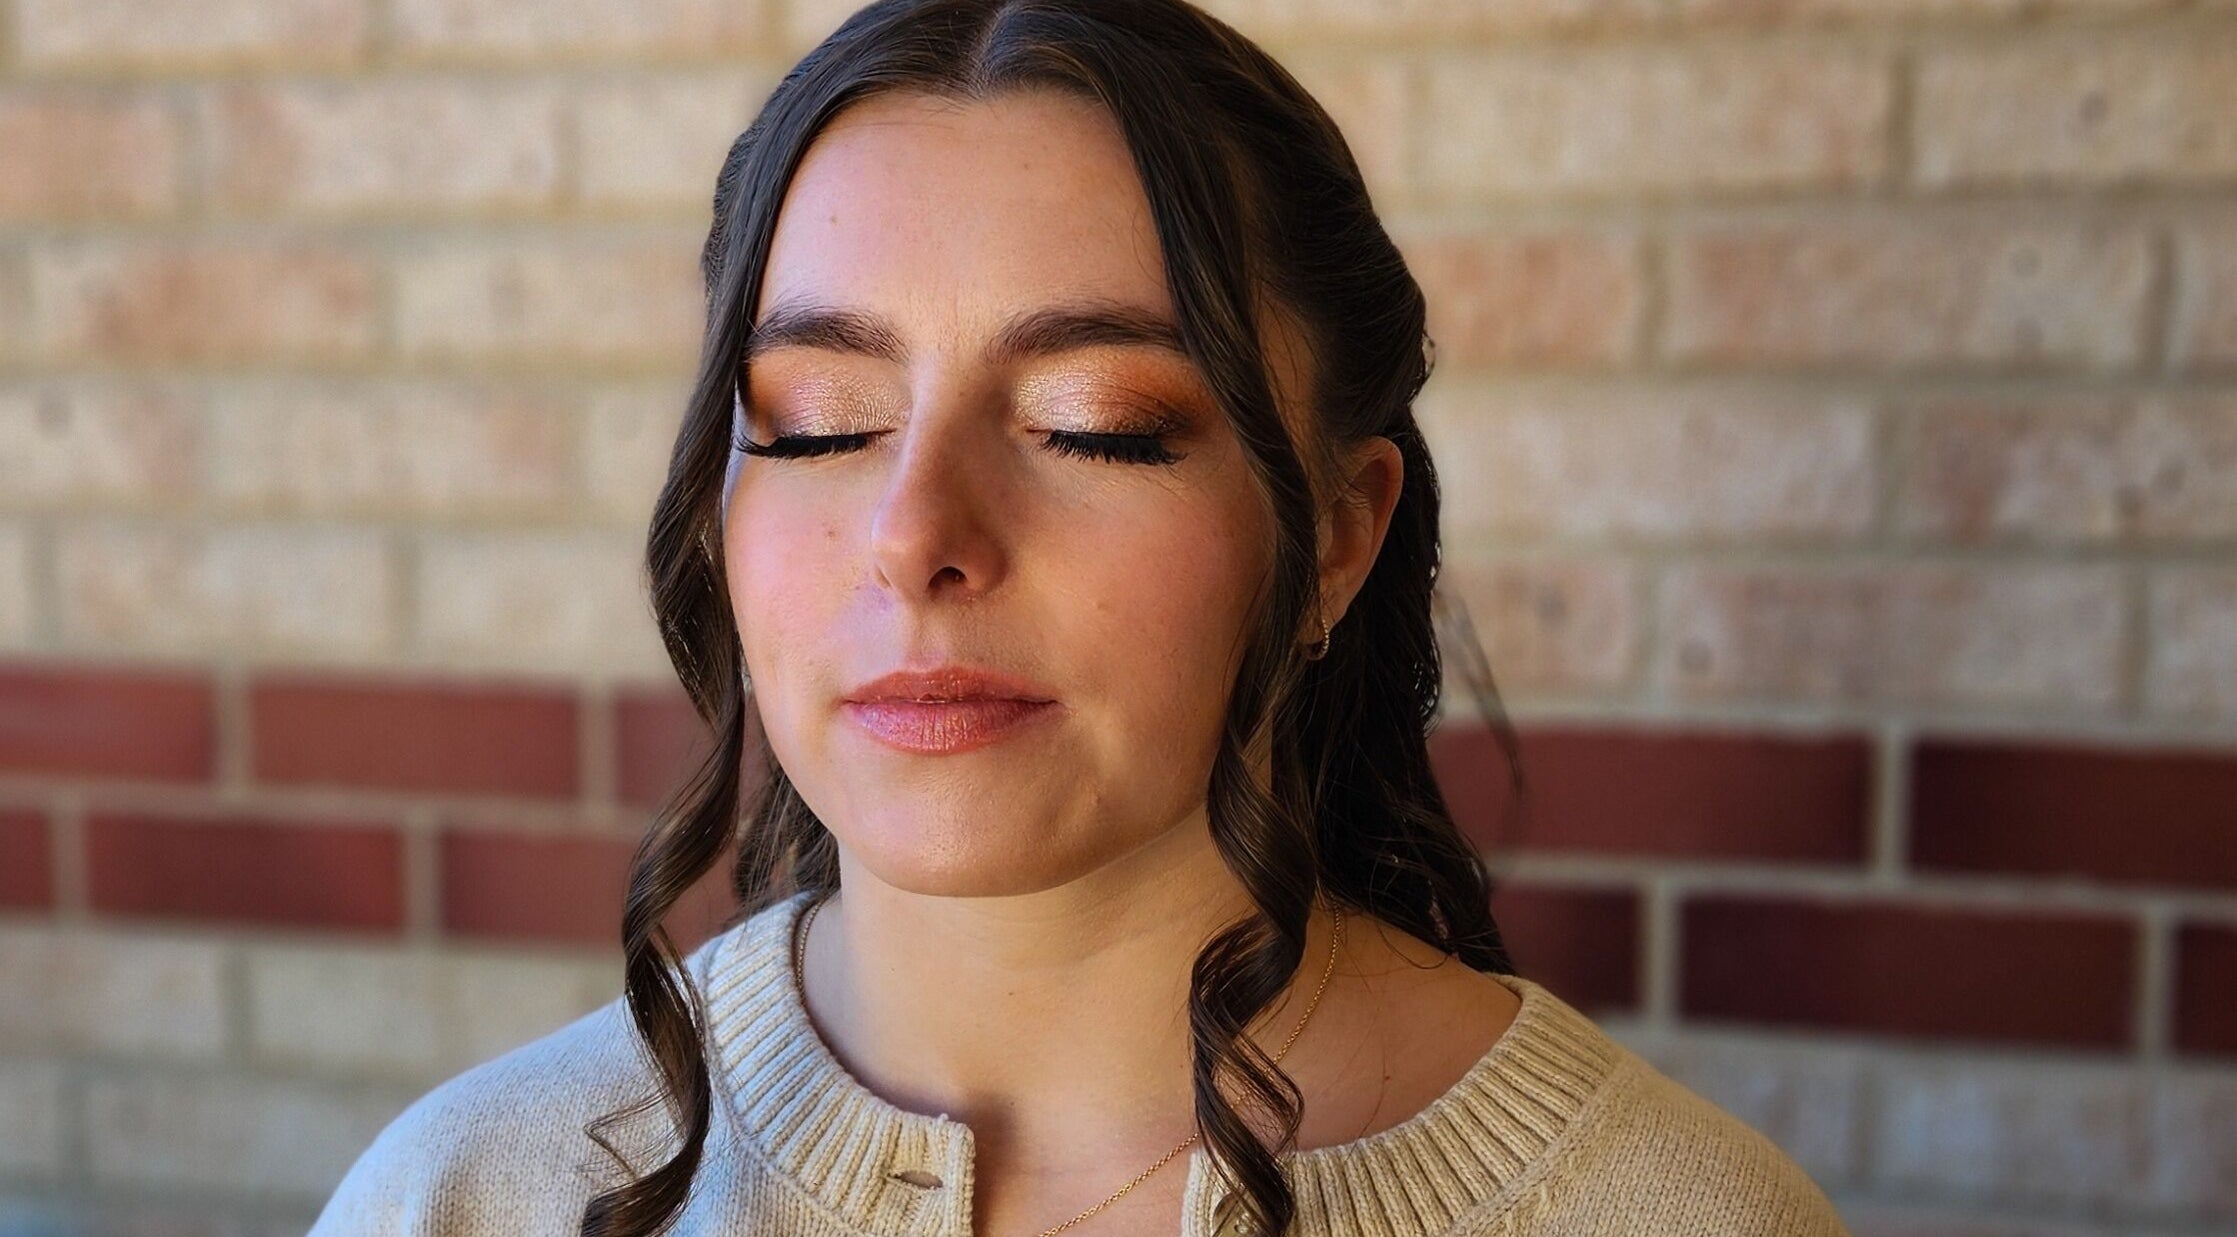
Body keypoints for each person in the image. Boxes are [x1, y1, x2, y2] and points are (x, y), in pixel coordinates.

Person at [308, 1, 1853, 1234]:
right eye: (820, 422)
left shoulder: (1681, 1215)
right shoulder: (471, 1195)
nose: (916, 536)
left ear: (1335, 535)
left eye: (1092, 425)